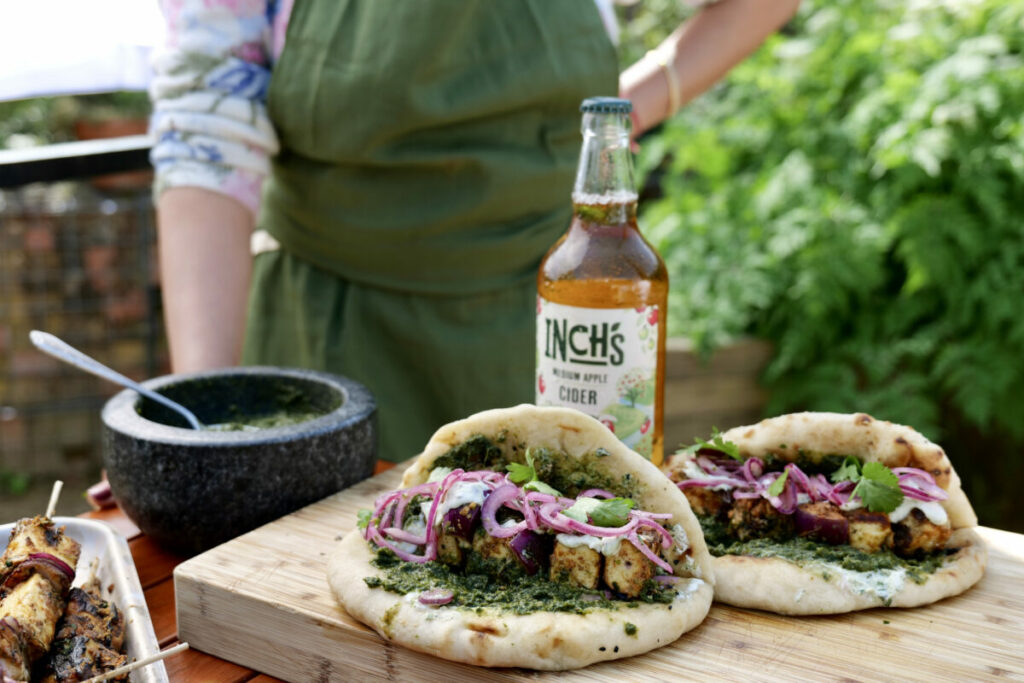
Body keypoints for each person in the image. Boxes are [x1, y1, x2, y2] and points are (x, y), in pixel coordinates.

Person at [150, 0, 800, 462]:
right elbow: (205, 137)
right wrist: (199, 424)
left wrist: (625, 114)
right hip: (336, 346)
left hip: (559, 335)